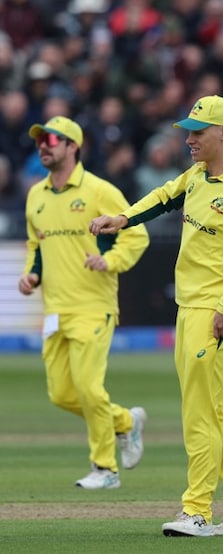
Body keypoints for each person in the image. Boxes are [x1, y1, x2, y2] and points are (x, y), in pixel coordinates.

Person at [88, 95, 223, 537]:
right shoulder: (198, 175)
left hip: (219, 312)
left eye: (197, 131)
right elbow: (163, 196)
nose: (188, 139)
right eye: (188, 131)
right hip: (191, 305)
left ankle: (196, 510)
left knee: (199, 411)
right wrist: (124, 217)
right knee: (210, 409)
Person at [18, 115, 150, 489]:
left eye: (52, 140)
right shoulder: (35, 196)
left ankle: (105, 469)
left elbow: (136, 235)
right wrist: (32, 274)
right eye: (40, 140)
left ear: (73, 146)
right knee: (61, 394)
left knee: (90, 388)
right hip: (55, 310)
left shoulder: (98, 191)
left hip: (93, 305)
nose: (43, 145)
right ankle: (125, 422)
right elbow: (36, 245)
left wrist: (109, 261)